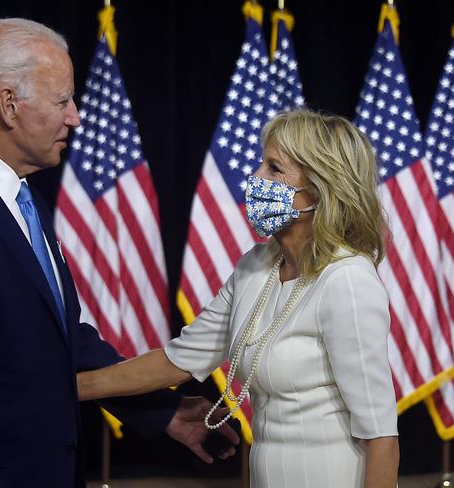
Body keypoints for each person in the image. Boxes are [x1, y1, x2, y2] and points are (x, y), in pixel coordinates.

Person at [0, 18, 239, 488]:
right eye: (62, 100)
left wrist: (162, 412)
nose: (75, 116)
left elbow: (61, 338)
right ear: (8, 104)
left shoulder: (23, 199)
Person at [77, 109, 400, 487]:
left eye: (274, 168)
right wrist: (74, 387)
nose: (256, 178)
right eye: (262, 164)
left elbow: (380, 436)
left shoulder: (347, 279)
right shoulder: (256, 267)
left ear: (320, 188)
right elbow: (177, 360)